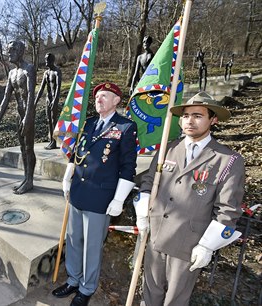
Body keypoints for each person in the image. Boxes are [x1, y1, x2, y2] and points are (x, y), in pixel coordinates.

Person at [134, 92, 245, 306]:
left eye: (197, 115)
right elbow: (148, 182)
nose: (189, 121)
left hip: (189, 243)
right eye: (185, 116)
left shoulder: (227, 160)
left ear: (213, 120)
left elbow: (228, 210)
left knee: (175, 300)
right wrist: (142, 211)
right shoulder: (168, 148)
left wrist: (207, 246)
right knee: (150, 295)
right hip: (155, 235)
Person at [52, 82, 137, 306]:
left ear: (116, 101)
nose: (98, 99)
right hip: (78, 191)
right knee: (73, 240)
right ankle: (73, 279)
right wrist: (67, 176)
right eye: (97, 96)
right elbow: (77, 153)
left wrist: (119, 199)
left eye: (104, 96)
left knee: (91, 245)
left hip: (100, 197)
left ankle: (86, 288)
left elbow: (128, 167)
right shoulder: (89, 123)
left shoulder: (126, 127)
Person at [0, 41, 36, 194]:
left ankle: (29, 181)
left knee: (29, 147)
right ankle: (26, 178)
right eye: (8, 50)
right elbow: (6, 97)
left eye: (12, 50)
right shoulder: (11, 73)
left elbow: (31, 95)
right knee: (22, 148)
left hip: (28, 113)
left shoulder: (29, 69)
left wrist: (28, 117)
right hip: (19, 113)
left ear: (21, 51)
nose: (9, 53)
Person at [35, 52, 61, 150]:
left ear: (52, 60)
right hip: (48, 99)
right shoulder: (46, 73)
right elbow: (41, 88)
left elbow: (58, 87)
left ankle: (54, 141)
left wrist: (55, 100)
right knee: (48, 120)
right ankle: (51, 141)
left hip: (54, 99)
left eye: (47, 60)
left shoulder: (57, 71)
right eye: (45, 59)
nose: (46, 62)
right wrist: (35, 101)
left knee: (54, 120)